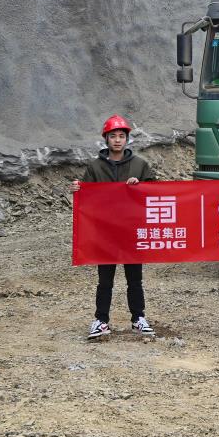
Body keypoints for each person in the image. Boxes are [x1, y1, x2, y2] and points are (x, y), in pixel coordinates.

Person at [73, 115, 157, 341]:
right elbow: (87, 197)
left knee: (135, 279)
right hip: (105, 233)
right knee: (105, 280)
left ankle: (138, 318)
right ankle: (101, 320)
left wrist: (140, 187)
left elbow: (155, 192)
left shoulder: (140, 165)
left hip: (131, 231)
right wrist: (77, 190)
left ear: (127, 139)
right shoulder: (95, 167)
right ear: (106, 139)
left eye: (121, 136)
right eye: (113, 136)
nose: (117, 140)